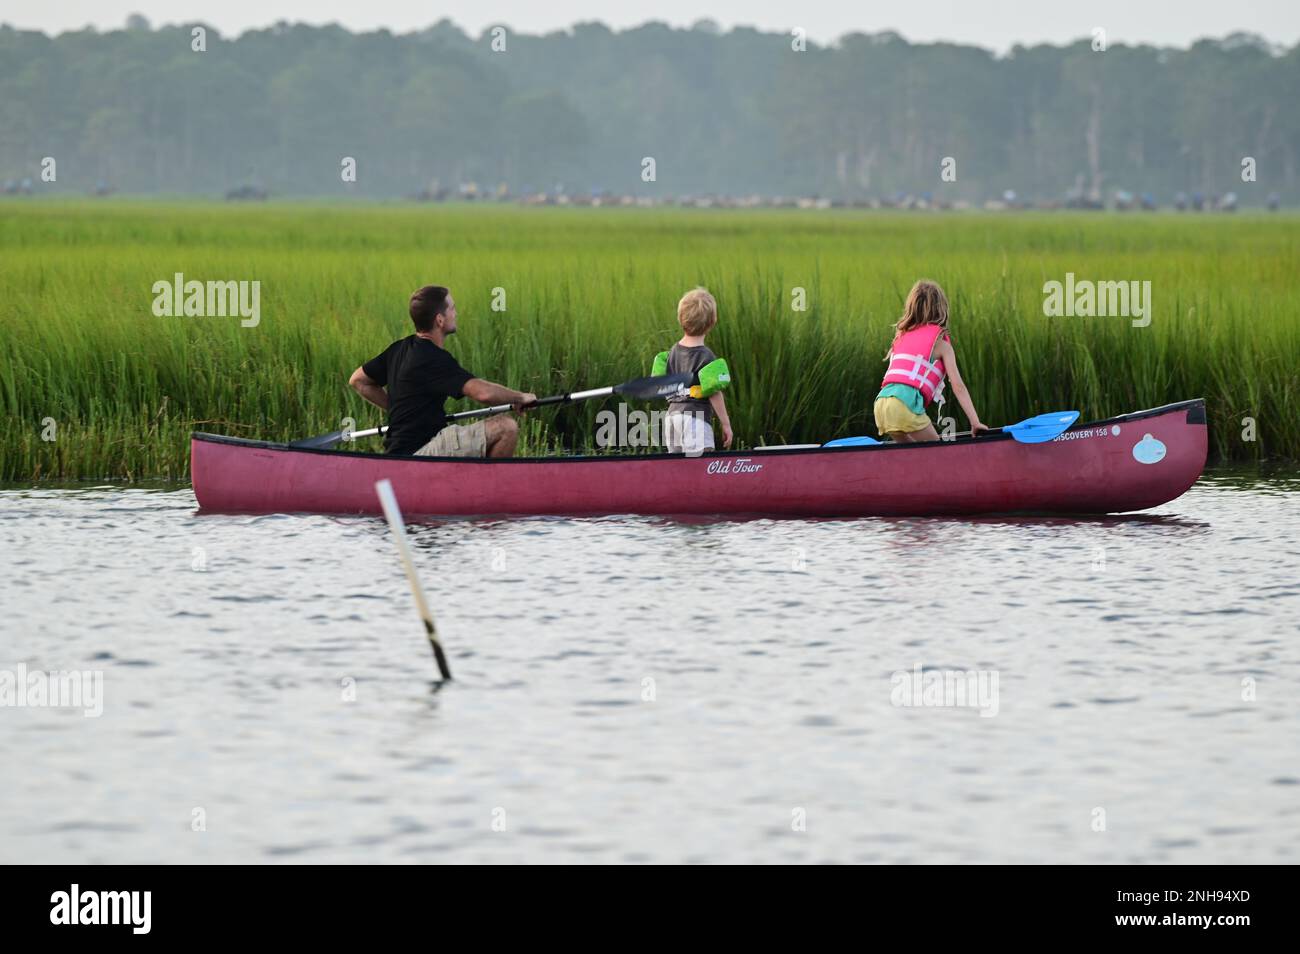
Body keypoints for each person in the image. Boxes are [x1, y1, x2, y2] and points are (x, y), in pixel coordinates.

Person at [349, 285, 537, 458]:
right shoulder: (433, 358)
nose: (456, 313)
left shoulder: (399, 348)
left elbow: (358, 380)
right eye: (452, 309)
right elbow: (483, 393)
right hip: (420, 453)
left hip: (401, 452)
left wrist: (399, 410)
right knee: (506, 427)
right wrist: (520, 397)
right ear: (440, 319)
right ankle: (487, 492)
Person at [874, 280, 987, 443]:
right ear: (941, 309)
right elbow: (958, 386)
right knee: (937, 455)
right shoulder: (942, 346)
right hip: (904, 405)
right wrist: (975, 422)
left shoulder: (901, 337)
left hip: (882, 405)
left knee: (914, 457)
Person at [653, 287, 734, 455]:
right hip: (695, 419)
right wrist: (725, 423)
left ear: (680, 318)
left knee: (678, 469)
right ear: (712, 322)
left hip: (672, 417)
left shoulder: (672, 352)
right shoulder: (707, 356)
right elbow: (714, 393)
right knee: (701, 466)